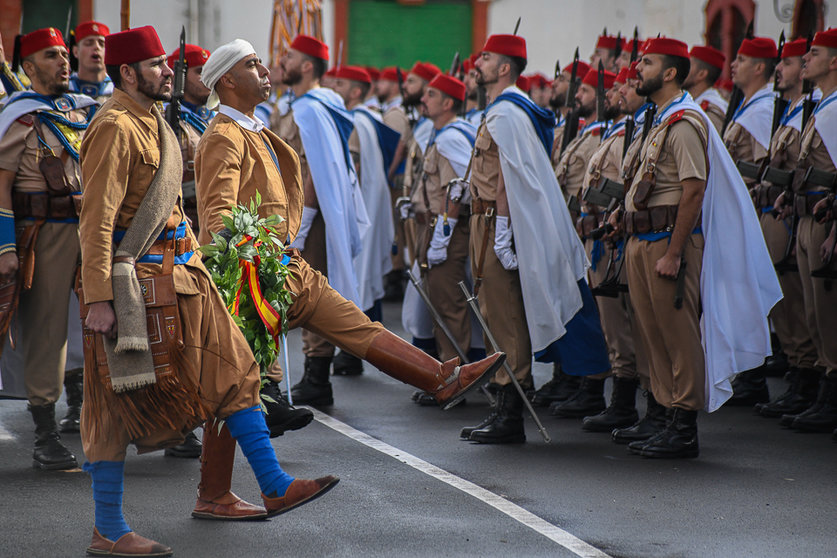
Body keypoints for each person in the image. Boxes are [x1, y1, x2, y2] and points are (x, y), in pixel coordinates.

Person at [193, 39, 505, 513]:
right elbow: (218, 217)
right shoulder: (224, 135)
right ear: (227, 82)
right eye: (251, 64)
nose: (265, 69)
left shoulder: (252, 129)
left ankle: (441, 377)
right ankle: (217, 492)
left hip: (283, 266)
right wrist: (250, 264)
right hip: (252, 276)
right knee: (235, 384)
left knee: (350, 326)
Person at [78, 27, 341, 555]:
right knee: (110, 406)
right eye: (154, 65)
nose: (166, 72)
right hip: (134, 285)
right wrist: (99, 296)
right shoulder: (114, 126)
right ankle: (108, 527)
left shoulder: (154, 119)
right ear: (126, 73)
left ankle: (273, 484)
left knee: (237, 367)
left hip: (183, 277)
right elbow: (97, 219)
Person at [612, 37, 780, 458]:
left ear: (670, 73)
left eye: (647, 62)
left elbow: (693, 190)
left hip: (668, 243)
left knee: (678, 335)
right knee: (650, 335)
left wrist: (673, 251)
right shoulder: (658, 119)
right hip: (641, 238)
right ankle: (661, 413)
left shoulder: (685, 121)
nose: (637, 68)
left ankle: (683, 424)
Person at [461, 33, 610, 444]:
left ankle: (510, 411)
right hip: (484, 220)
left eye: (487, 58)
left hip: (496, 222)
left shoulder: (508, 113)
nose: (479, 63)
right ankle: (504, 403)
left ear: (505, 68)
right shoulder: (499, 110)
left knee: (504, 315)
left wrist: (506, 232)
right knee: (492, 312)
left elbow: (514, 178)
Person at [0, 27, 97, 470]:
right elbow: (1, 183)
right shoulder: (19, 116)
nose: (63, 61)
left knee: (101, 323)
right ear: (28, 67)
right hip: (44, 234)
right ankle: (44, 433)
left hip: (86, 229)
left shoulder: (77, 111)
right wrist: (5, 247)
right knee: (47, 332)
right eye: (50, 55)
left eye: (63, 53)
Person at [271, 35, 367, 404]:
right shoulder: (307, 104)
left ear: (308, 66)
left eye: (290, 56)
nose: (283, 60)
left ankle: (317, 377)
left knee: (309, 291)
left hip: (309, 214)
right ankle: (316, 374)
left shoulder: (311, 107)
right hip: (300, 213)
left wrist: (305, 221)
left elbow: (315, 172)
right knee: (304, 289)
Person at [752, 38, 821, 419]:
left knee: (810, 308)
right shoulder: (793, 109)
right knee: (791, 304)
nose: (784, 68)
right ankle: (803, 378)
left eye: (792, 61)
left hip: (807, 216)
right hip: (782, 211)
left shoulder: (819, 110)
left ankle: (814, 384)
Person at [775, 28, 837, 435]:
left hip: (824, 221)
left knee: (828, 314)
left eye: (814, 53)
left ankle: (829, 395)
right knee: (812, 312)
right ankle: (818, 387)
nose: (805, 60)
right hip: (803, 215)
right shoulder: (822, 106)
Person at [576, 67, 643, 433]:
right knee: (611, 325)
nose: (615, 93)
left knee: (622, 325)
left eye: (624, 86)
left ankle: (625, 402)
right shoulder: (620, 133)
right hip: (599, 237)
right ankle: (619, 399)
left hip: (612, 240)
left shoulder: (632, 134)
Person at [549, 66, 616, 420]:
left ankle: (592, 387)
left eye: (586, 91)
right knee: (571, 311)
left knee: (595, 317)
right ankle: (571, 377)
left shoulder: (606, 134)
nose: (577, 95)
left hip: (589, 234)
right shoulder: (582, 133)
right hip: (569, 231)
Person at [411, 73, 481, 378]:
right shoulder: (444, 133)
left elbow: (459, 188)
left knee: (447, 306)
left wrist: (443, 234)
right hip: (437, 228)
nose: (424, 100)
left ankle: (454, 376)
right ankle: (451, 370)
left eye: (431, 95)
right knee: (439, 304)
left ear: (448, 103)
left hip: (447, 232)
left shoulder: (451, 136)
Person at [332, 65, 399, 375]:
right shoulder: (368, 119)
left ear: (356, 91)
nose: (334, 87)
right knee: (364, 278)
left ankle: (353, 353)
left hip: (360, 210)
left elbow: (352, 169)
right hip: (372, 206)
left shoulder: (356, 121)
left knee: (355, 279)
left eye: (340, 83)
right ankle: (361, 353)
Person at [723, 37, 779, 405]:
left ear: (760, 66)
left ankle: (760, 376)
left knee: (751, 294)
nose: (733, 64)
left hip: (755, 213)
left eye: (742, 59)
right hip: (736, 213)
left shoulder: (762, 110)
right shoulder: (747, 106)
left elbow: (765, 169)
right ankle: (749, 373)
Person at [683, 45, 728, 134]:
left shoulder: (710, 111)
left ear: (701, 74)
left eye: (689, 65)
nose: (683, 70)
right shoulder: (696, 102)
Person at [68, 21, 112, 103]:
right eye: (89, 43)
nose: (96, 47)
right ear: (76, 51)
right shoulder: (65, 89)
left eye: (102, 44)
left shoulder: (117, 90)